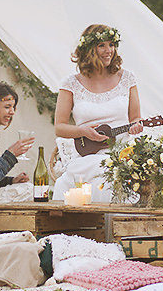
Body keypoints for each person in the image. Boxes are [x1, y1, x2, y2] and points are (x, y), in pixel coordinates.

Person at [53, 24, 143, 201]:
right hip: (85, 154)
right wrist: (83, 131)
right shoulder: (70, 84)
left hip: (120, 154)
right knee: (68, 182)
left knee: (107, 175)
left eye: (111, 44)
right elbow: (59, 127)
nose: (108, 50)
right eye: (102, 45)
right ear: (88, 49)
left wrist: (137, 126)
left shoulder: (127, 79)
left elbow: (135, 118)